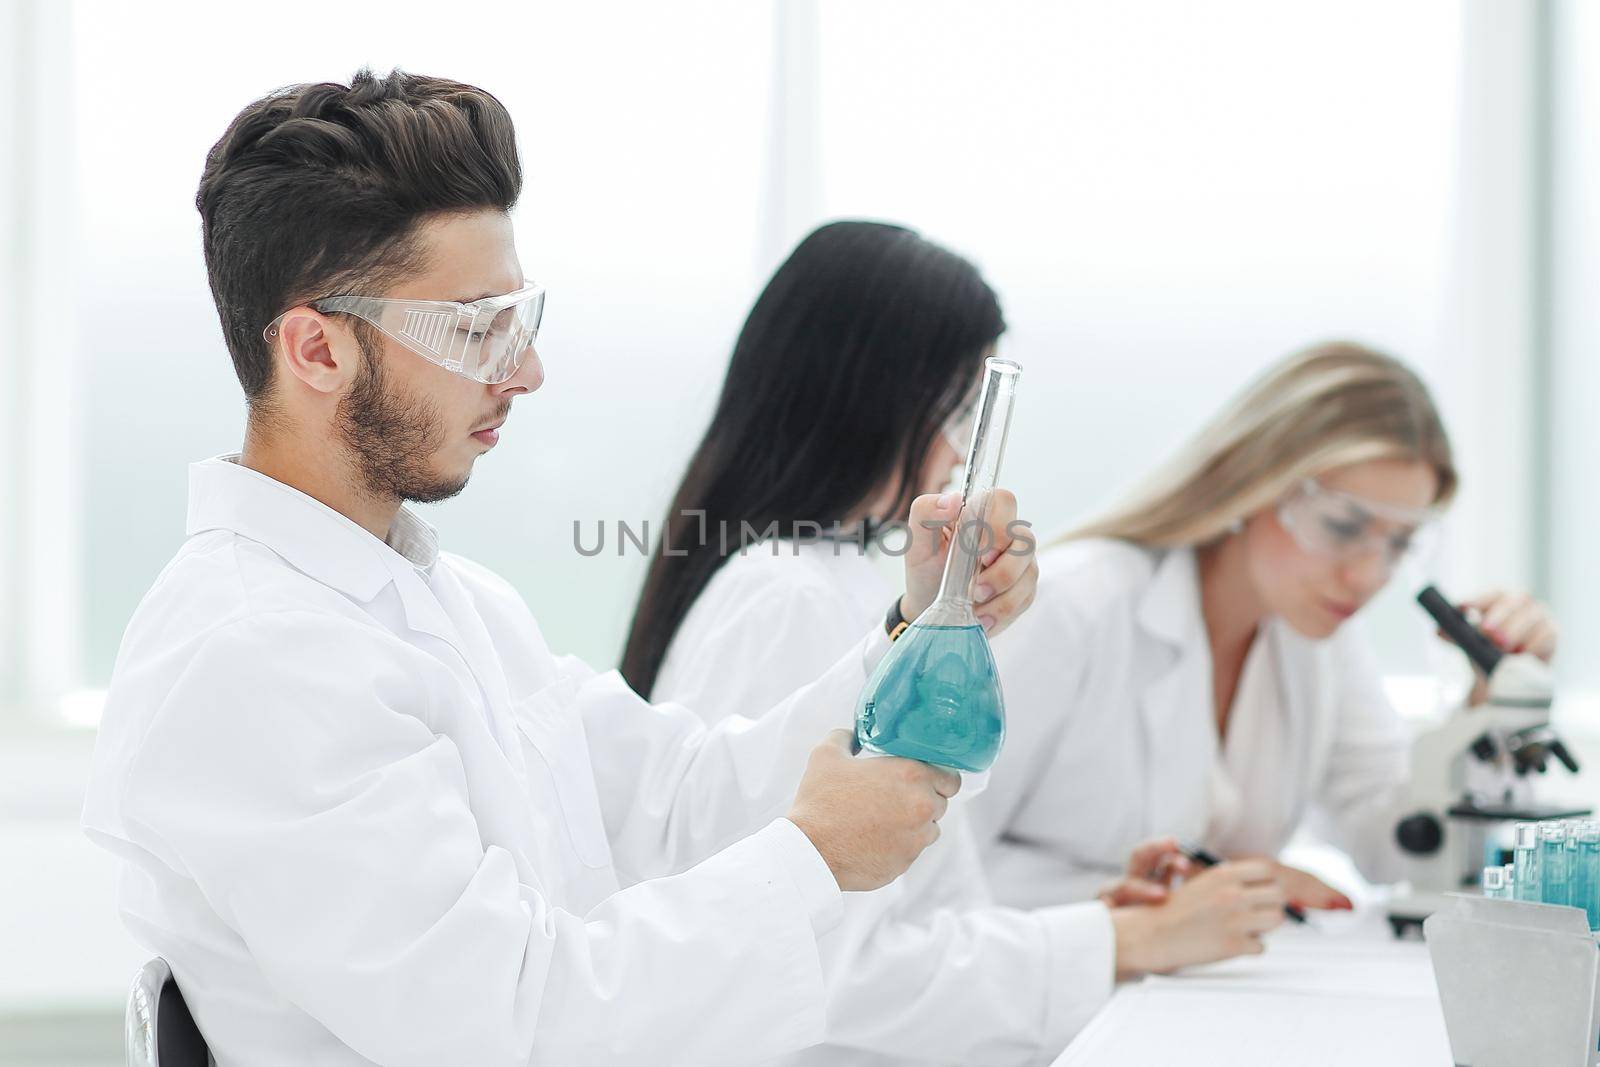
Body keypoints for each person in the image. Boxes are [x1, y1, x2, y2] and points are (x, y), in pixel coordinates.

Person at [79, 71, 1041, 1066]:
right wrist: (811, 856)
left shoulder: (452, 600)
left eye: (521, 316)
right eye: (473, 326)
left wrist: (916, 621)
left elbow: (680, 799)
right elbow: (510, 1024)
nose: (524, 369)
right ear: (316, 349)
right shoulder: (251, 656)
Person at [623, 221, 1290, 1066]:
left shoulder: (838, 588)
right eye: (960, 408)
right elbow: (829, 973)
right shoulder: (787, 595)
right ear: (871, 394)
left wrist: (1100, 917)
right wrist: (1116, 943)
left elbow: (898, 910)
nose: (966, 448)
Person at [968, 341, 1562, 913]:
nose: (1368, 576)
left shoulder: (1314, 633)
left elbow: (1395, 849)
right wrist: (1193, 897)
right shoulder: (1074, 606)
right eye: (1343, 526)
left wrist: (1487, 710)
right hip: (1039, 1011)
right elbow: (926, 873)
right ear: (1253, 484)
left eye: (1400, 543)